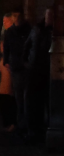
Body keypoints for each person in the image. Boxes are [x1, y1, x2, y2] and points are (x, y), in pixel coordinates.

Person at [24, 8, 53, 141]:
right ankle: (34, 130)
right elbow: (27, 46)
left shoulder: (41, 30)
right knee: (34, 100)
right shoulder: (38, 30)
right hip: (36, 69)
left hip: (43, 69)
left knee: (40, 100)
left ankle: (38, 129)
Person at [4, 11, 31, 135]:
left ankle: (25, 123)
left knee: (24, 96)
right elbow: (7, 47)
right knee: (19, 96)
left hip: (24, 65)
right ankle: (21, 123)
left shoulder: (26, 30)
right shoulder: (11, 32)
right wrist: (6, 61)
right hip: (17, 65)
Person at [0, 14, 16, 131]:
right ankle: (6, 122)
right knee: (2, 97)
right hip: (3, 67)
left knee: (7, 97)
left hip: (7, 67)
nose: (4, 23)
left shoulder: (11, 34)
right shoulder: (5, 33)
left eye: (6, 21)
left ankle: (9, 123)